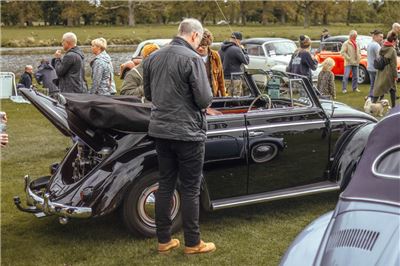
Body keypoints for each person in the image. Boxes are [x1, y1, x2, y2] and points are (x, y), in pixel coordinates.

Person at [143, 18, 215, 255]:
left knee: (166, 184)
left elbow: (149, 93)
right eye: (200, 38)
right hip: (187, 132)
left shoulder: (153, 56)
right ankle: (193, 243)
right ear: (194, 35)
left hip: (161, 131)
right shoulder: (192, 58)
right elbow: (204, 100)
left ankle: (164, 240)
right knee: (191, 188)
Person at [196, 29, 226, 97]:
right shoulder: (191, 56)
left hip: (212, 96)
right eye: (198, 46)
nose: (200, 48)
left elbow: (220, 78)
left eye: (203, 46)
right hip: (197, 98)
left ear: (208, 44)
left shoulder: (215, 56)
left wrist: (224, 97)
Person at [373, 31, 398, 108]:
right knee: (392, 89)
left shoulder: (383, 47)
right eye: (396, 41)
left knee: (379, 87)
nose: (396, 42)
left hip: (381, 70)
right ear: (393, 41)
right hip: (389, 72)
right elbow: (394, 65)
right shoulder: (392, 50)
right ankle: (393, 107)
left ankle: (373, 104)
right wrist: (396, 75)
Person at [219, 31, 249, 96]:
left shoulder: (221, 49)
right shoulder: (236, 49)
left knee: (225, 98)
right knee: (235, 99)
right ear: (237, 40)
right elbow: (246, 61)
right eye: (240, 41)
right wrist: (244, 50)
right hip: (235, 79)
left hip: (224, 78)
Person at [366, 30, 384, 98]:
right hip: (376, 69)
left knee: (373, 85)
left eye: (382, 37)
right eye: (380, 37)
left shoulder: (370, 44)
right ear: (375, 37)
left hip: (370, 67)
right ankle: (376, 99)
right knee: (379, 85)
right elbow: (379, 58)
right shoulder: (376, 45)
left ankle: (370, 98)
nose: (382, 39)